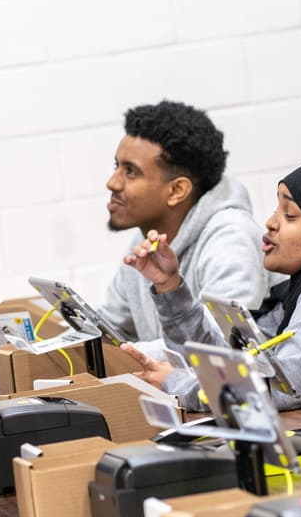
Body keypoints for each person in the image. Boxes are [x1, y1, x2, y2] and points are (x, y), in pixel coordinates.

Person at [125, 159, 301, 410]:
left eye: (290, 215)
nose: (270, 223)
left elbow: (273, 390)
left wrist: (175, 383)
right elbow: (230, 360)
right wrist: (169, 286)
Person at [98, 100, 267, 381]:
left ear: (177, 190)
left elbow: (219, 349)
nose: (112, 183)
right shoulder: (145, 240)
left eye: (130, 171)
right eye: (117, 166)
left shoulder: (232, 239)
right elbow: (110, 326)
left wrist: (107, 357)